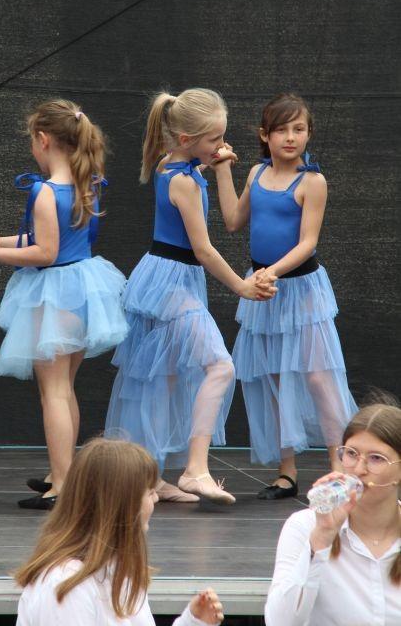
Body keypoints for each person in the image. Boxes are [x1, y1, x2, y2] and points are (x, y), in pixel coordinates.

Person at [105, 89, 277, 504]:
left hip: (163, 276)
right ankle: (195, 469)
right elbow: (203, 249)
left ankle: (146, 478)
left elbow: (192, 171)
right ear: (185, 138)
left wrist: (212, 163)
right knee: (219, 366)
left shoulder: (170, 164)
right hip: (173, 280)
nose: (221, 144)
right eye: (213, 139)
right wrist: (241, 286)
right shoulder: (182, 182)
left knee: (162, 378)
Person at [0, 99, 129, 510]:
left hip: (55, 293)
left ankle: (63, 484)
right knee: (65, 389)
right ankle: (61, 472)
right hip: (82, 290)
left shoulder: (45, 191)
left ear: (43, 140)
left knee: (54, 392)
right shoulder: (87, 184)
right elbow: (52, 240)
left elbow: (44, 252)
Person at [213, 93, 357, 499]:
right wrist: (222, 170)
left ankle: (339, 467)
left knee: (318, 376)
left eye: (299, 129)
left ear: (309, 133)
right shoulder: (256, 174)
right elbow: (233, 221)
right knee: (274, 377)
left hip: (300, 288)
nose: (291, 137)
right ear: (265, 135)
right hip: (264, 291)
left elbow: (308, 243)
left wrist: (270, 272)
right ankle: (286, 472)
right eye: (282, 130)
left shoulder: (312, 182)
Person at [15, 437, 224, 625]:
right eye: (150, 492)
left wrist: (193, 622)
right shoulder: (66, 584)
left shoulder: (120, 571)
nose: (156, 499)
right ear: (121, 504)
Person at [264, 401, 401, 625]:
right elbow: (280, 621)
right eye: (351, 454)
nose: (359, 470)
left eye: (376, 458)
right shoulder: (305, 526)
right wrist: (321, 537)